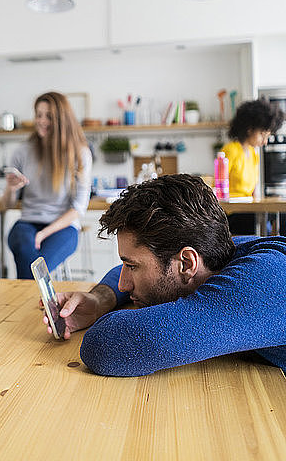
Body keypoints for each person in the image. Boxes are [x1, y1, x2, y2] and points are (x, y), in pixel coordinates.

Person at [43, 174, 286, 377]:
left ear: (186, 263)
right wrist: (99, 301)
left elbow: (104, 347)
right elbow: (120, 274)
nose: (123, 284)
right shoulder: (223, 252)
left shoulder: (263, 281)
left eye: (133, 266)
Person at [3, 91, 92, 279]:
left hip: (63, 227)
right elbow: (8, 205)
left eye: (48, 116)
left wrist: (44, 233)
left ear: (62, 120)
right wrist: (11, 189)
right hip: (27, 223)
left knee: (35, 266)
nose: (41, 121)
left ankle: (23, 302)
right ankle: (42, 304)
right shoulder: (22, 152)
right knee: (28, 254)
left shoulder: (80, 154)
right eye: (39, 115)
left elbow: (78, 209)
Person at [221, 98, 284, 235]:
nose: (265, 141)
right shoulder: (230, 150)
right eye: (262, 134)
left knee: (279, 217)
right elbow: (220, 184)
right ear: (250, 129)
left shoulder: (252, 153)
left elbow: (253, 189)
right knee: (258, 220)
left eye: (267, 136)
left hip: (248, 209)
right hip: (231, 212)